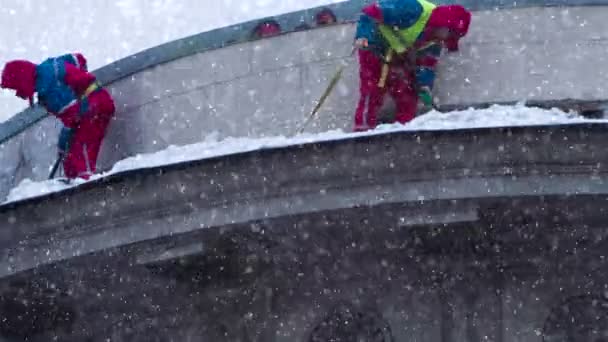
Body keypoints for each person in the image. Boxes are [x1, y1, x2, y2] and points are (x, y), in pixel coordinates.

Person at [352, 0, 471, 131]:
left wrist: (424, 85)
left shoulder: (435, 41)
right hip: (374, 47)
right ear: (444, 25)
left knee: (407, 93)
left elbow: (427, 64)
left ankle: (403, 130)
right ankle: (362, 130)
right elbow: (370, 13)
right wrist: (363, 35)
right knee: (372, 90)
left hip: (398, 56)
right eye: (450, 35)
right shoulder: (413, 9)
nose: (445, 40)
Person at [1, 53, 115, 180]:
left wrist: (64, 138)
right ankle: (74, 182)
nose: (17, 94)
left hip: (93, 109)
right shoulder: (48, 68)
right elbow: (78, 59)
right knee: (71, 152)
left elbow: (73, 115)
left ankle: (85, 183)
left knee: (79, 148)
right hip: (99, 103)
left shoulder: (48, 87)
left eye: (16, 88)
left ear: (22, 80)